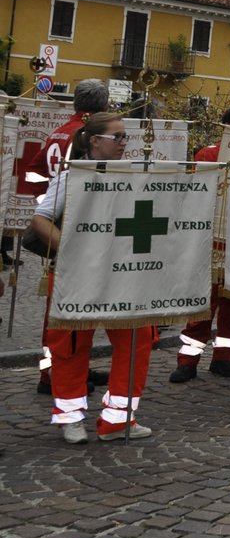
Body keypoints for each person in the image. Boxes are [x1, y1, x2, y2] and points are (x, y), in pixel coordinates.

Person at [34, 112, 158, 442]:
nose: (123, 143)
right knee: (72, 344)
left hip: (121, 274)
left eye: (124, 137)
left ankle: (119, 420)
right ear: (94, 141)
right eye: (117, 137)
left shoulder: (129, 174)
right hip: (78, 275)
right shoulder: (72, 175)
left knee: (137, 339)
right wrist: (73, 252)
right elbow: (41, 220)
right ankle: (71, 418)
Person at [26, 79, 109, 395]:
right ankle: (54, 375)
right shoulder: (88, 136)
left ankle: (75, 368)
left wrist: (44, 202)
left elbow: (33, 173)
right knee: (64, 305)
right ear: (102, 106)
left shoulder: (59, 131)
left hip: (57, 222)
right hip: (74, 227)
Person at [172, 103, 230, 382]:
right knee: (203, 304)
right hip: (210, 242)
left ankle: (223, 358)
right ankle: (188, 360)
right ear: (227, 125)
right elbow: (193, 198)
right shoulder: (208, 155)